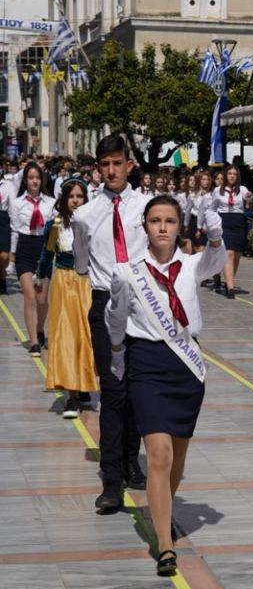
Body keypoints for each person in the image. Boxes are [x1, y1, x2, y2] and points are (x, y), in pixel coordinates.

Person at [105, 195, 226, 577]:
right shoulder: (128, 272)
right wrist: (117, 350)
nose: (162, 227)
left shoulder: (191, 266)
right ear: (145, 226)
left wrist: (217, 233)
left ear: (179, 226)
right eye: (155, 220)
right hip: (147, 364)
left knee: (177, 456)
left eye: (170, 221)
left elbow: (217, 260)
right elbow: (116, 319)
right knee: (157, 455)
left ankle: (163, 513)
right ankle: (165, 544)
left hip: (186, 368)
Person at [72, 134, 150, 512]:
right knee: (113, 392)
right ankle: (111, 478)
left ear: (129, 165)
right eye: (104, 165)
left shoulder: (146, 207)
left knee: (137, 389)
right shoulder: (85, 215)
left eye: (117, 163)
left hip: (142, 305)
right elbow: (82, 265)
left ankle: (132, 458)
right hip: (106, 306)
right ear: (97, 168)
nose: (111, 171)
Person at [37, 178, 98, 419]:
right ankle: (71, 395)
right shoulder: (55, 225)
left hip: (86, 283)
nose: (75, 201)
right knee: (67, 336)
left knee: (87, 334)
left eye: (79, 196)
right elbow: (47, 252)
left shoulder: (91, 224)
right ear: (63, 199)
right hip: (63, 283)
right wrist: (41, 276)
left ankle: (84, 384)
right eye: (71, 196)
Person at [10, 162, 56, 355]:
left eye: (37, 177)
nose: (34, 181)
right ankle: (34, 341)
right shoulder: (17, 202)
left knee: (42, 298)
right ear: (25, 180)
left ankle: (40, 329)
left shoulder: (50, 202)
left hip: (44, 248)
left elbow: (55, 229)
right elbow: (14, 230)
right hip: (24, 248)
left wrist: (52, 251)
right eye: (31, 178)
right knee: (29, 296)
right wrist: (12, 258)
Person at [210, 164, 251, 299]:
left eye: (234, 174)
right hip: (224, 221)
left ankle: (229, 281)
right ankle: (231, 287)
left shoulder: (242, 189)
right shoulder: (217, 190)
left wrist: (250, 196)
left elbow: (248, 197)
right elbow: (213, 208)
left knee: (237, 255)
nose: (232, 176)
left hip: (238, 221)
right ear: (226, 175)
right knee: (229, 253)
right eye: (230, 174)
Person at [0, 169, 12, 294]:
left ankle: (2, 276)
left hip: (3, 217)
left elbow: (13, 204)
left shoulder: (8, 185)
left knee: (4, 256)